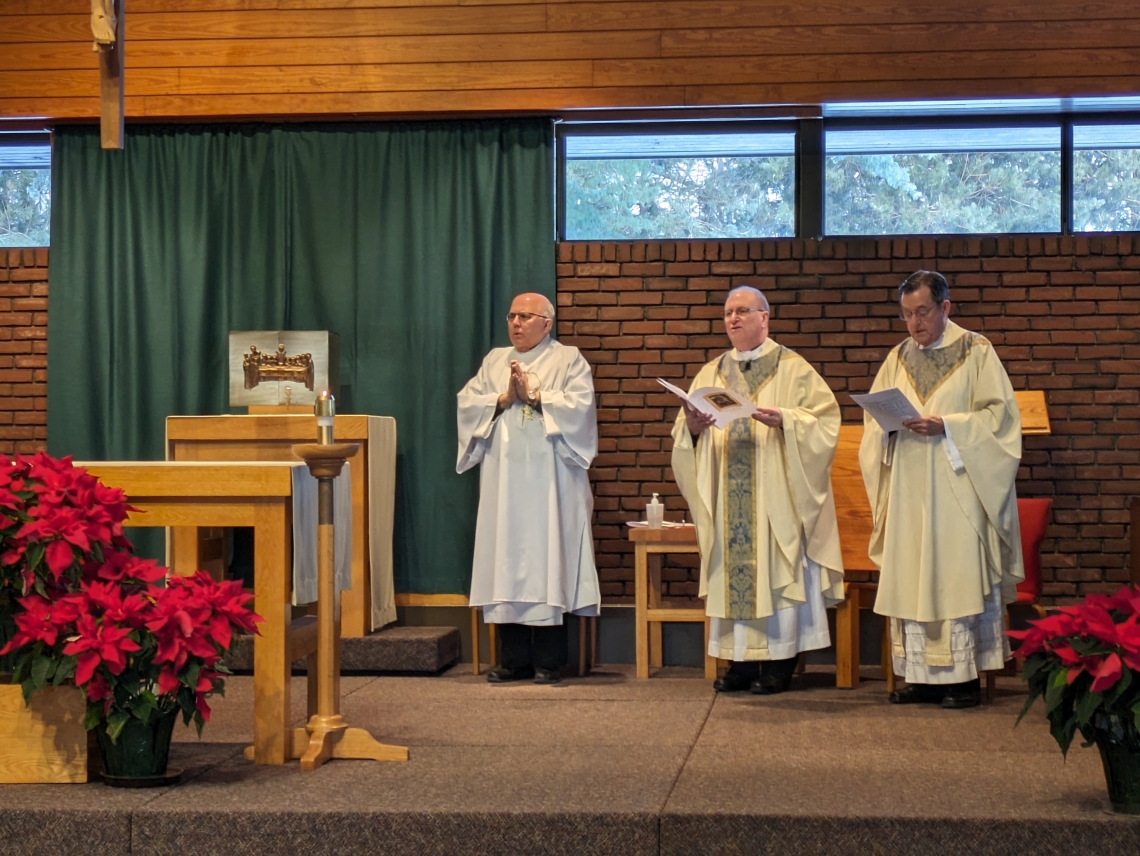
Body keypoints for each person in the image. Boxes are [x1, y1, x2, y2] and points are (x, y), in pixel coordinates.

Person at [860, 270, 1023, 709]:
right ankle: (920, 677)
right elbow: (872, 424)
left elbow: (1002, 421)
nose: (915, 324)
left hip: (958, 488)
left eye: (923, 313)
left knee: (954, 576)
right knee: (915, 578)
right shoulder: (897, 356)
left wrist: (948, 425)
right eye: (907, 315)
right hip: (910, 484)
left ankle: (962, 680)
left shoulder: (976, 351)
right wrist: (887, 428)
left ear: (946, 308)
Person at [671, 286, 845, 694]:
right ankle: (740, 663)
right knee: (732, 572)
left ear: (765, 318)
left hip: (775, 495)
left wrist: (786, 419)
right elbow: (687, 434)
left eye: (743, 311)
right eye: (728, 312)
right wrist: (693, 429)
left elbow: (825, 423)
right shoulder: (711, 372)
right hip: (728, 495)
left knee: (775, 570)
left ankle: (779, 662)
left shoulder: (794, 368)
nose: (733, 318)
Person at [456, 293, 600, 685]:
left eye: (525, 316)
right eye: (512, 316)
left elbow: (581, 408)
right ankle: (513, 659)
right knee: (504, 560)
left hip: (550, 482)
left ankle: (549, 661)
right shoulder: (494, 360)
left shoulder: (568, 359)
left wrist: (535, 397)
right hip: (504, 481)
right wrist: (504, 397)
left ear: (547, 323)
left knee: (547, 557)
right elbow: (468, 403)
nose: (516, 323)